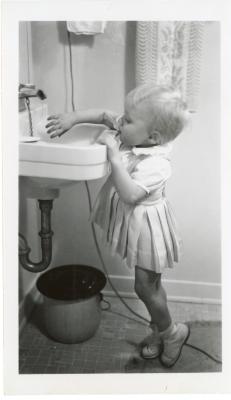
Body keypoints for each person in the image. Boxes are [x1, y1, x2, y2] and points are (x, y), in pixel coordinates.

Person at [46, 84, 190, 368]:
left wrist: (113, 155)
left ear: (153, 136)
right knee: (151, 285)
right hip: (140, 224)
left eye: (128, 119)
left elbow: (131, 194)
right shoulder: (133, 130)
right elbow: (102, 115)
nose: (120, 121)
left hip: (151, 229)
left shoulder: (158, 164)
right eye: (124, 115)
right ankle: (159, 330)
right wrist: (72, 118)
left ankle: (173, 333)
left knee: (145, 287)